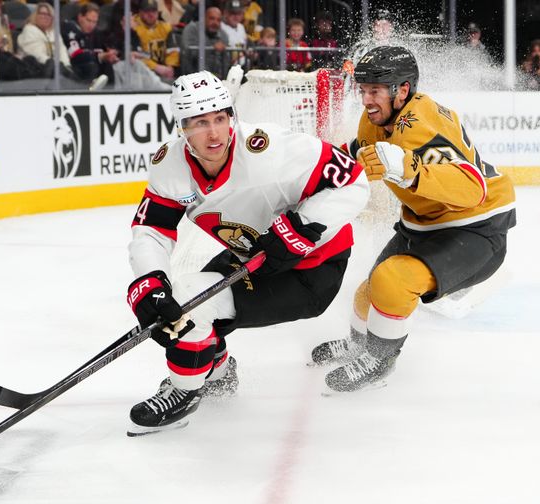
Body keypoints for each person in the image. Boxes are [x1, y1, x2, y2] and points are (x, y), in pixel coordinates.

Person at [126, 70, 369, 434]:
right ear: (181, 127)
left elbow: (353, 181)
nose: (214, 133)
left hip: (312, 270)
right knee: (168, 305)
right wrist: (149, 282)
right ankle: (216, 373)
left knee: (191, 302)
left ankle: (185, 391)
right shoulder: (170, 166)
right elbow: (151, 229)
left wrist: (299, 230)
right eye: (200, 122)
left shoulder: (269, 149)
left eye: (221, 119)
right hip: (254, 256)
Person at [311, 46, 517, 393]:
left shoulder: (421, 126)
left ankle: (379, 360)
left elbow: (472, 188)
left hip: (476, 227)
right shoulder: (376, 117)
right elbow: (355, 155)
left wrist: (410, 171)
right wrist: (310, 176)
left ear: (402, 90)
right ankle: (361, 344)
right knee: (370, 290)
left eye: (375, 90)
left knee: (393, 281)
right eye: (363, 90)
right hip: (424, 220)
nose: (366, 99)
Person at [61, 2, 115, 88]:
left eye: (94, 22)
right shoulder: (70, 27)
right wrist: (99, 56)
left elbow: (99, 50)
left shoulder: (94, 32)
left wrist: (109, 56)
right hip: (72, 67)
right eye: (88, 20)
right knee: (90, 65)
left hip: (88, 65)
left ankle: (112, 93)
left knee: (107, 65)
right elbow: (75, 54)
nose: (91, 25)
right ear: (80, 17)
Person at [17, 2, 75, 79]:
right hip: (35, 68)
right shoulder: (29, 30)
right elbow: (37, 55)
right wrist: (57, 65)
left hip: (55, 67)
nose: (45, 17)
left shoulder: (53, 32)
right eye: (42, 14)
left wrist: (66, 65)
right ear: (35, 15)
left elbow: (62, 50)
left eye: (49, 15)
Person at [133, 0, 180, 83]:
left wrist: (170, 67)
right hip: (143, 72)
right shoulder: (135, 28)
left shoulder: (166, 27)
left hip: (165, 71)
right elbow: (137, 55)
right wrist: (156, 67)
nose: (151, 14)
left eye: (153, 11)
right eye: (147, 11)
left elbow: (172, 50)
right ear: (140, 12)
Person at [180, 5, 229, 78]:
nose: (215, 23)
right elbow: (189, 54)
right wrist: (212, 48)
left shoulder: (223, 34)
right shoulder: (191, 29)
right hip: (193, 77)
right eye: (212, 18)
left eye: (218, 20)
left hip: (217, 79)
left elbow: (226, 60)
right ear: (203, 18)